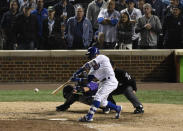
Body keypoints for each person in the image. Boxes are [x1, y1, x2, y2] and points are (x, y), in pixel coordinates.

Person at [56, 60, 144, 114]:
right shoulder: (102, 74)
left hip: (120, 87)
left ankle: (138, 107)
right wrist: (77, 82)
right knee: (102, 92)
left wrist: (134, 89)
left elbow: (131, 80)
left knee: (128, 89)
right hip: (107, 90)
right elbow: (92, 84)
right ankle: (111, 106)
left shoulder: (120, 72)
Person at [70, 46, 122, 122]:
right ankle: (118, 108)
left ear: (94, 54)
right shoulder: (92, 69)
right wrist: (76, 79)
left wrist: (77, 72)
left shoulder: (102, 57)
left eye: (90, 55)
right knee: (102, 103)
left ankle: (89, 116)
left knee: (97, 97)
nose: (89, 57)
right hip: (103, 83)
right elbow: (88, 80)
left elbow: (87, 65)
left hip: (110, 81)